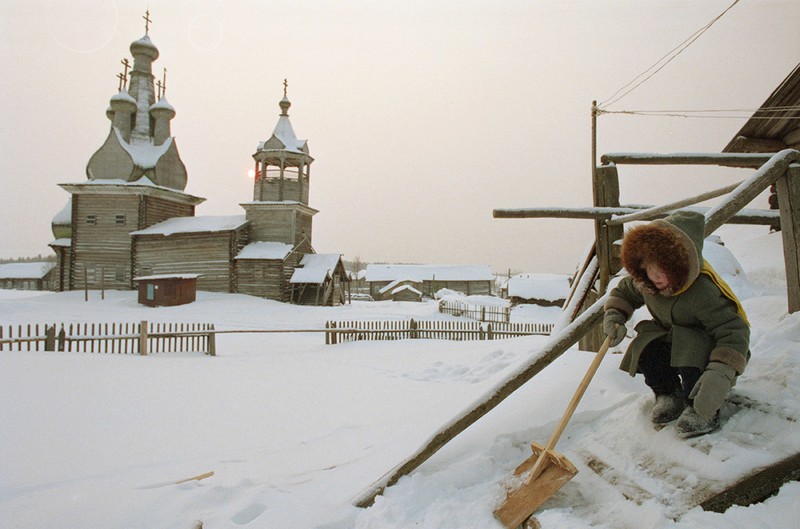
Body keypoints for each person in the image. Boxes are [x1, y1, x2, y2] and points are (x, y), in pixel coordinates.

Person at [602, 210, 750, 438]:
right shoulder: (647, 281)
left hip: (710, 352)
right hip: (677, 339)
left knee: (690, 344)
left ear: (678, 264)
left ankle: (702, 408)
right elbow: (626, 291)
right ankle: (669, 394)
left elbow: (734, 331)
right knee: (647, 344)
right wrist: (615, 315)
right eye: (649, 267)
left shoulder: (704, 290)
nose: (655, 276)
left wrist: (720, 374)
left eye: (662, 268)